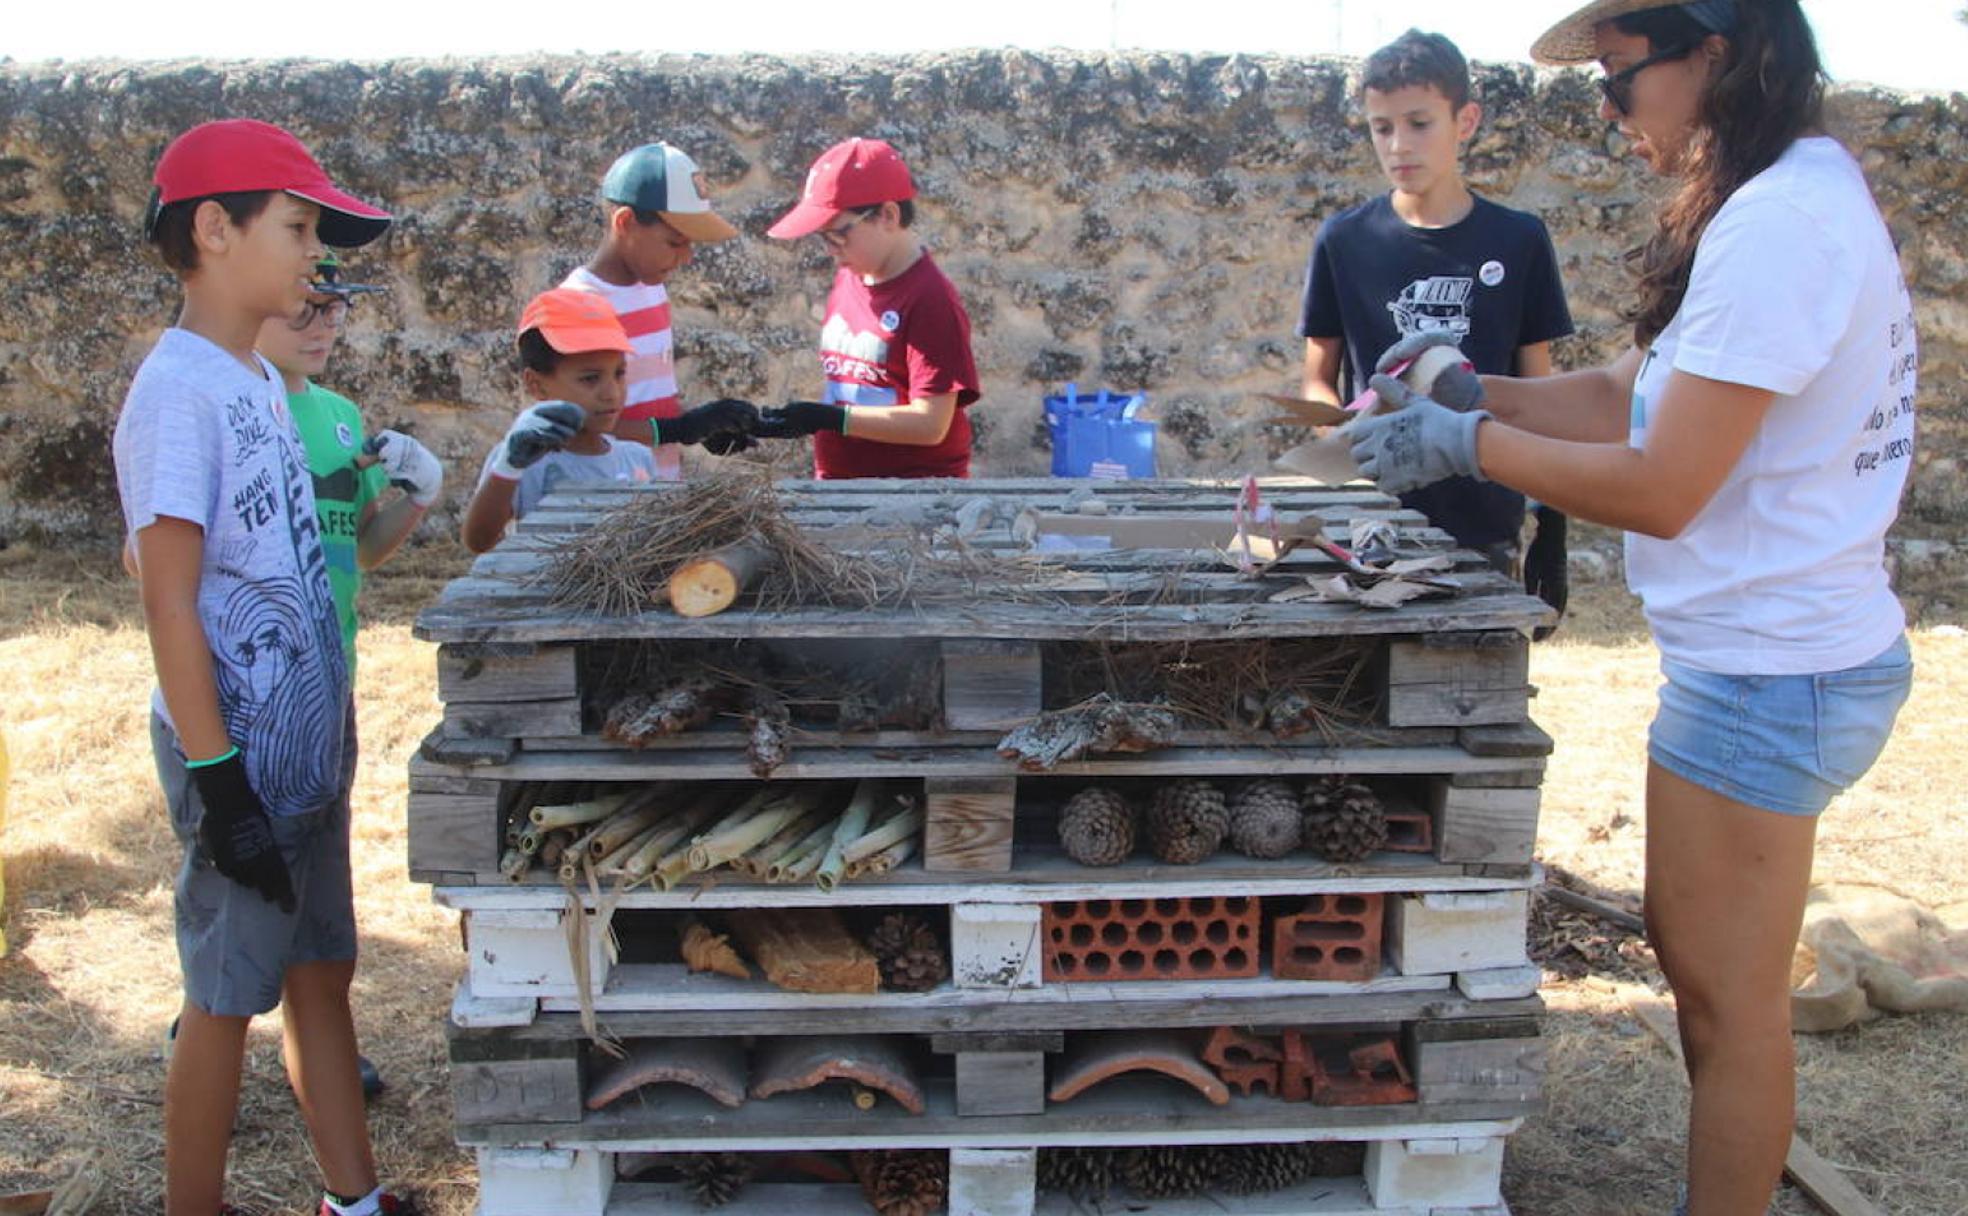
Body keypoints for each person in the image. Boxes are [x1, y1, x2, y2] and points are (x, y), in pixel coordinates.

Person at [1346, 3, 1917, 1212]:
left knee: (1724, 1002)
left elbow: (1661, 484)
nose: (1608, 108)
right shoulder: (1788, 195)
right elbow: (1628, 399)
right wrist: (1469, 381)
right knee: (1712, 981)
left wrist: (1467, 440)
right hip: (1775, 653)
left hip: (1772, 665)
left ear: (1715, 50)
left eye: (1619, 75)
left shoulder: (1778, 225)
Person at [111, 118, 419, 1216]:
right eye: (295, 229)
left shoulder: (254, 380)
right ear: (214, 228)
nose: (310, 258)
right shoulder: (179, 391)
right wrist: (220, 777)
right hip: (235, 752)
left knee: (318, 973)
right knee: (225, 996)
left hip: (302, 749)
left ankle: (355, 1199)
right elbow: (169, 596)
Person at [1296, 29, 1574, 606]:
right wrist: (1343, 436)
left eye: (1419, 123)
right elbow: (1318, 376)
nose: (1399, 145)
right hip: (1373, 515)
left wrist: (1552, 523)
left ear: (1465, 121)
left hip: (1485, 508)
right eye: (1382, 127)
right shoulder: (1343, 240)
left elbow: (1540, 391)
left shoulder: (1519, 239)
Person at [462, 288, 751, 553]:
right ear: (536, 385)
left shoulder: (636, 459)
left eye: (619, 374)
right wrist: (509, 468)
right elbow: (478, 541)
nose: (611, 393)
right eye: (590, 379)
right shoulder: (523, 462)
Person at [759, 138, 982, 479]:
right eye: (824, 238)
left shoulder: (930, 299)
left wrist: (834, 419)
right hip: (843, 485)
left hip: (912, 496)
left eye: (838, 234)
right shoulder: (851, 274)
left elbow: (930, 424)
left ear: (888, 215)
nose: (831, 250)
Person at [562, 141, 750, 475]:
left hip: (655, 494)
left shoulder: (651, 291)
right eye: (676, 242)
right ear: (625, 222)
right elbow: (572, 428)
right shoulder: (580, 306)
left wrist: (701, 426)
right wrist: (678, 430)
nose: (687, 257)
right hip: (607, 498)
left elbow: (645, 397)